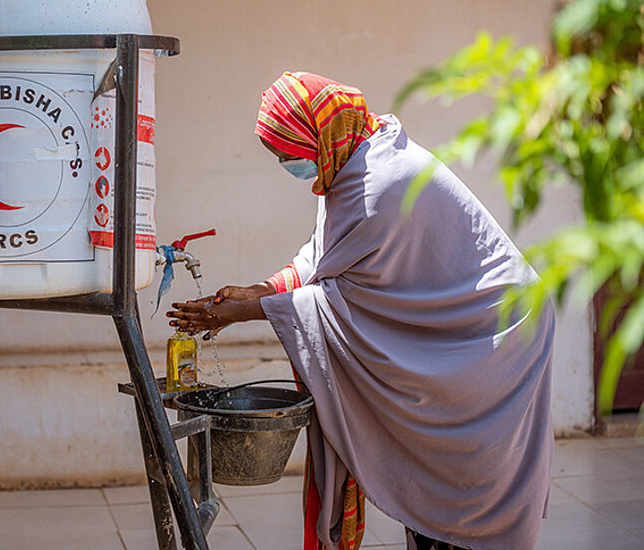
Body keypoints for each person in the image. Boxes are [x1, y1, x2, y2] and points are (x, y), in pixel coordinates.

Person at [168, 72, 555, 550]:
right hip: (458, 334)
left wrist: (245, 312)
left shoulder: (379, 185)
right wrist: (256, 291)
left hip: (493, 337)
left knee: (462, 479)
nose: (290, 165)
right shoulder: (351, 162)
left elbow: (338, 298)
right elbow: (322, 260)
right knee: (432, 479)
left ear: (317, 136)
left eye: (290, 154)